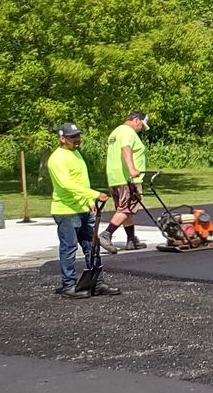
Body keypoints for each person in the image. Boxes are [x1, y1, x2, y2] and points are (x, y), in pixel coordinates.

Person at [49, 123, 113, 298]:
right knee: (69, 248)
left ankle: (97, 283)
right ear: (62, 138)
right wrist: (94, 194)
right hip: (66, 211)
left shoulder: (76, 154)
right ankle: (68, 285)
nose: (77, 140)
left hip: (82, 208)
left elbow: (81, 181)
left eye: (77, 136)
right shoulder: (57, 158)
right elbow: (66, 184)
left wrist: (88, 200)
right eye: (72, 137)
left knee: (92, 246)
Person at [103, 110, 148, 251]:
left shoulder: (115, 132)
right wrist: (132, 169)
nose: (141, 129)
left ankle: (131, 239)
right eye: (142, 125)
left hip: (115, 177)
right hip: (127, 178)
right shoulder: (128, 131)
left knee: (123, 210)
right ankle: (106, 234)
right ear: (137, 120)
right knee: (128, 207)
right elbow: (126, 149)